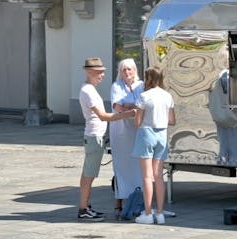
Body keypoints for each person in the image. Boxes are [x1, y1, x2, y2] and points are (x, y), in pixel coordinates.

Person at [74, 57, 123, 220]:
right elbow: (102, 116)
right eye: (99, 72)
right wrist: (128, 115)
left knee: (89, 174)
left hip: (95, 136)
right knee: (89, 174)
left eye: (103, 72)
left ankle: (86, 206)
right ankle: (83, 209)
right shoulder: (88, 91)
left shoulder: (89, 89)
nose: (102, 75)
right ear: (89, 72)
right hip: (94, 136)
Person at [133, 66, 176, 225]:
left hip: (146, 134)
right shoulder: (167, 96)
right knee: (158, 176)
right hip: (162, 135)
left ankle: (148, 213)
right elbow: (172, 121)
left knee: (146, 176)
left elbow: (137, 122)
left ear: (148, 78)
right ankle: (160, 213)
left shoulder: (143, 96)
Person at [107, 58, 145, 220]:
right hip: (121, 131)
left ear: (135, 70)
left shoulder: (141, 85)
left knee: (138, 166)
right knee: (121, 166)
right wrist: (132, 107)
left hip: (137, 130)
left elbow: (141, 105)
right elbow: (117, 106)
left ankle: (139, 201)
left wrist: (129, 106)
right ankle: (119, 203)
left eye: (130, 69)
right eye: (124, 70)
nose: (127, 72)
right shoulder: (116, 86)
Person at [207, 51, 237, 166]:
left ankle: (224, 158)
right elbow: (235, 95)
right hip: (233, 112)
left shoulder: (221, 74)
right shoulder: (232, 76)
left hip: (221, 112)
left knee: (224, 137)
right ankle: (236, 160)